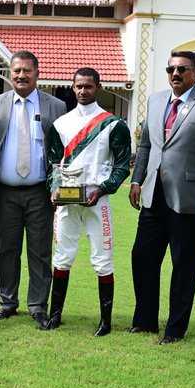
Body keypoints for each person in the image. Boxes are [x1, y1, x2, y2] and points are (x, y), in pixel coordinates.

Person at [129, 51, 195, 343]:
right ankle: (145, 321)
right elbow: (147, 144)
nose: (175, 74)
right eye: (171, 68)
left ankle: (175, 329)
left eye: (182, 69)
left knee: (183, 265)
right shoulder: (156, 100)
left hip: (191, 198)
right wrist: (137, 180)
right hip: (153, 194)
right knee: (142, 257)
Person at [42, 67, 132, 335]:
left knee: (103, 260)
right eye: (79, 86)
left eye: (88, 87)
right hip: (67, 202)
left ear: (98, 88)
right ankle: (55, 316)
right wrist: (53, 189)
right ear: (72, 87)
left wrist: (103, 189)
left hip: (97, 200)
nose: (83, 91)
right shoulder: (60, 124)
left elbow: (122, 166)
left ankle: (106, 321)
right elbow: (53, 164)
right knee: (62, 257)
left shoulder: (114, 124)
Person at [0, 51, 68, 324]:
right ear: (9, 73)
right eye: (16, 71)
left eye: (26, 71)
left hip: (40, 192)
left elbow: (62, 153)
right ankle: (6, 302)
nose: (21, 76)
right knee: (6, 250)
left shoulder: (55, 106)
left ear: (37, 73)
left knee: (40, 251)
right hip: (5, 191)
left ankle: (38, 305)